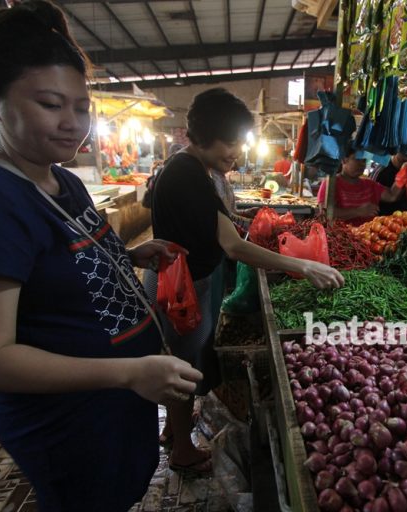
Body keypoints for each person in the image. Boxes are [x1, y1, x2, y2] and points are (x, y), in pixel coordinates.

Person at [0, 2, 203, 511]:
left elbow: (52, 263)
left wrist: (128, 255)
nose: (71, 124)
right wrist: (127, 372)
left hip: (116, 409)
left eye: (81, 107)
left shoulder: (61, 178)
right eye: (50, 104)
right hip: (68, 423)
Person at [147, 87, 343, 474]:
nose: (236, 152)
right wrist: (304, 267)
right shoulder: (187, 173)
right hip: (180, 287)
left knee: (184, 358)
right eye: (230, 143)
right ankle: (183, 450)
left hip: (187, 280)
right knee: (183, 365)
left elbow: (221, 225)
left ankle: (174, 428)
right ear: (202, 137)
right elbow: (233, 247)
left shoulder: (195, 169)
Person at [316, 146, 407, 226]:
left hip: (368, 242)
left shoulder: (369, 185)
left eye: (364, 161)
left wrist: (405, 171)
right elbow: (325, 214)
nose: (362, 164)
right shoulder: (330, 184)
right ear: (344, 160)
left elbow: (392, 195)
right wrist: (358, 211)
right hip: (341, 243)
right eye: (357, 160)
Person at [371, 136, 407, 215]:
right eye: (403, 154)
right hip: (387, 223)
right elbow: (372, 198)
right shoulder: (381, 171)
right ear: (395, 151)